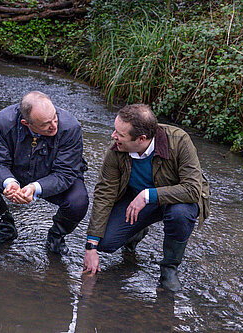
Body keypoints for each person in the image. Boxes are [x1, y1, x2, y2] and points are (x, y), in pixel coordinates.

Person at [82, 104, 210, 291]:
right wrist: (90, 246)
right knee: (105, 243)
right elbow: (104, 194)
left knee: (180, 214)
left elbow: (192, 189)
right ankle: (136, 232)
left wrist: (148, 195)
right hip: (136, 199)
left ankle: (169, 269)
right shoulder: (116, 149)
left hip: (176, 201)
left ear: (141, 139)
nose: (113, 136)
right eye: (114, 130)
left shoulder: (179, 140)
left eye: (120, 134)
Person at [0, 91, 89, 255]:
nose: (54, 125)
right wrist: (9, 182)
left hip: (54, 177)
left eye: (55, 117)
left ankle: (56, 237)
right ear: (26, 122)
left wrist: (34, 188)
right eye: (46, 124)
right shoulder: (4, 121)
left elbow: (65, 173)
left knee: (78, 201)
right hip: (16, 172)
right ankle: (5, 229)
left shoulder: (70, 127)